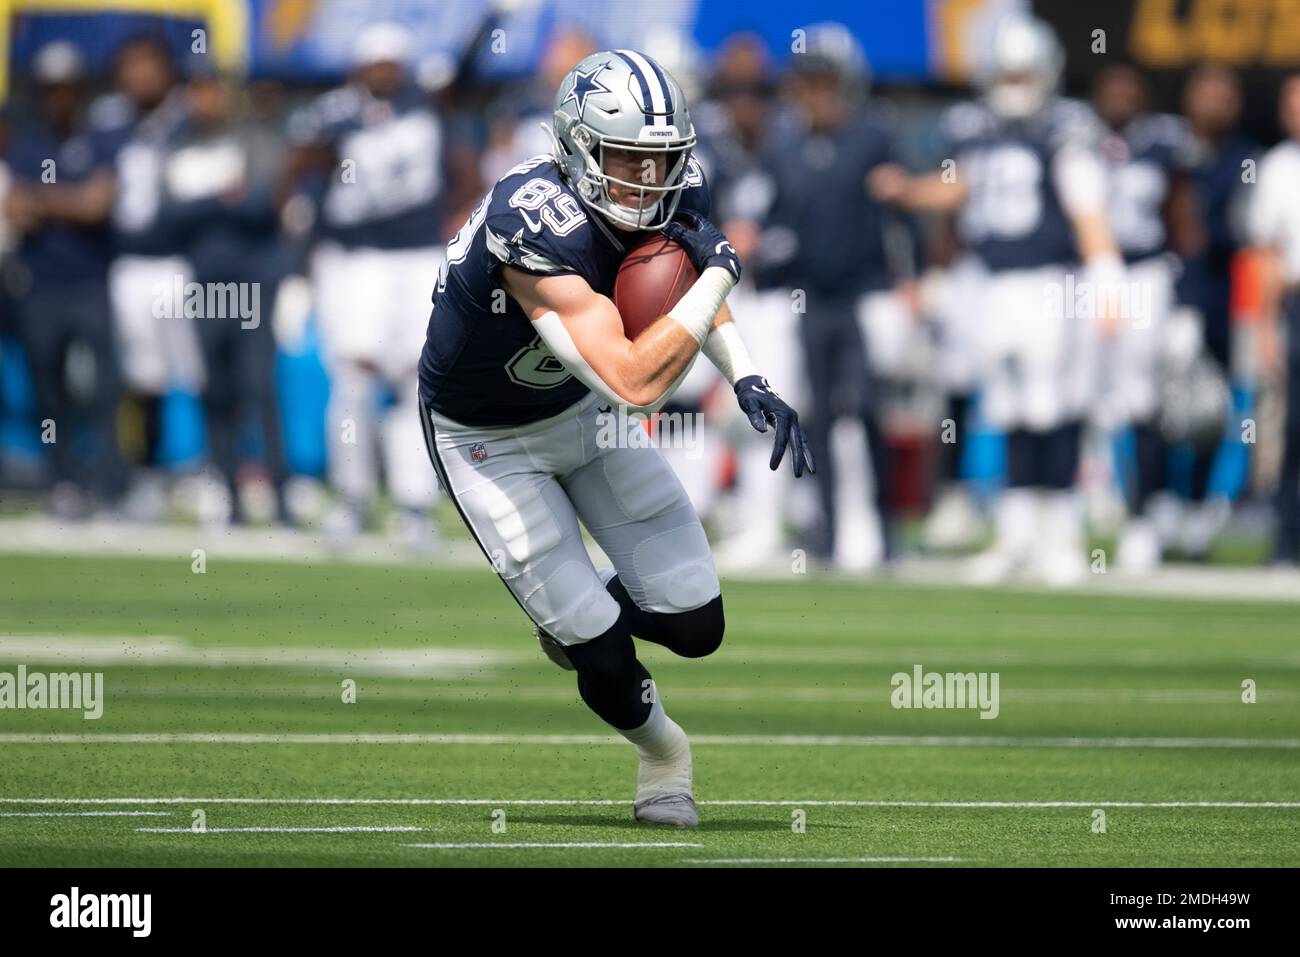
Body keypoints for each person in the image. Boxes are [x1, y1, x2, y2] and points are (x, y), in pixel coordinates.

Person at [418, 50, 812, 827]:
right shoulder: (532, 222)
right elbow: (634, 378)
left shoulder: (668, 193)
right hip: (487, 437)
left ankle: (576, 613)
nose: (648, 180)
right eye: (629, 158)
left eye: (663, 160)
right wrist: (720, 279)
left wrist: (746, 375)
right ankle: (664, 755)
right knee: (597, 646)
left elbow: (677, 280)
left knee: (698, 623)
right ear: (576, 146)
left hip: (580, 417)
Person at [873, 14, 1123, 586]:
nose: (1014, 86)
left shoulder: (1065, 129)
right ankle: (1015, 535)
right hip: (992, 285)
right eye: (1006, 75)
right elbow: (961, 187)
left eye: (1022, 75)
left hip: (1052, 285)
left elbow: (1088, 212)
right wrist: (909, 191)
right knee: (1008, 409)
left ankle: (1061, 535)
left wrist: (1107, 280)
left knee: (1053, 408)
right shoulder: (979, 129)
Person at [287, 21, 444, 551]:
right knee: (353, 379)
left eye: (393, 63)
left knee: (415, 383)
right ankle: (351, 497)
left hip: (418, 256)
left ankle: (414, 503)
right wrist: (300, 250)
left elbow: (464, 99)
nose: (385, 73)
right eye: (376, 63)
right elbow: (298, 162)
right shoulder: (337, 112)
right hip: (355, 260)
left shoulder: (426, 105)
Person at [157, 58, 291, 525]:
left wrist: (203, 203)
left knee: (259, 387)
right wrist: (219, 198)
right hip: (207, 285)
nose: (203, 101)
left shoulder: (253, 138)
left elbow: (261, 203)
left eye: (210, 90)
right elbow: (166, 217)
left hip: (254, 282)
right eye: (195, 91)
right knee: (216, 390)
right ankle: (229, 494)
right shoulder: (178, 146)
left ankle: (279, 495)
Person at [6, 42, 127, 516]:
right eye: (51, 89)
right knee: (49, 389)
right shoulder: (28, 144)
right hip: (41, 285)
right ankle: (64, 482)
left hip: (90, 281)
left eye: (67, 88)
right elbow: (14, 208)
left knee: (104, 389)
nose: (59, 98)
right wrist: (71, 202)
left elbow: (100, 204)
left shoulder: (98, 139)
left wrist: (46, 201)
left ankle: (111, 483)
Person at [1091, 63, 1200, 570]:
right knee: (1082, 398)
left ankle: (1145, 515)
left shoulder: (1163, 144)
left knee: (1143, 404)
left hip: (1146, 277)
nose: (1119, 98)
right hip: (1087, 277)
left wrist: (1187, 300)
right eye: (1111, 89)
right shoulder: (1076, 142)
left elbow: (1184, 220)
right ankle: (1081, 506)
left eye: (1128, 90)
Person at [1251, 75, 1300, 567]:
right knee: (1295, 428)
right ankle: (1289, 539)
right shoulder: (1279, 166)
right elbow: (1267, 252)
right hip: (1296, 302)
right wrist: (1265, 328)